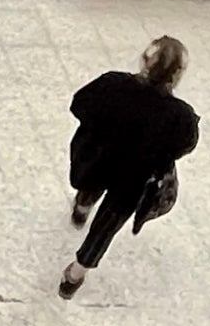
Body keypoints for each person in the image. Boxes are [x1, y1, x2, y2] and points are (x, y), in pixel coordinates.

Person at [61, 35, 200, 297]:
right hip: (135, 181)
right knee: (106, 227)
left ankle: (82, 206)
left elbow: (79, 104)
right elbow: (184, 146)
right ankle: (74, 276)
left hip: (97, 159)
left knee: (90, 184)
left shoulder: (112, 85)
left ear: (144, 60)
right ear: (177, 75)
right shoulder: (180, 116)